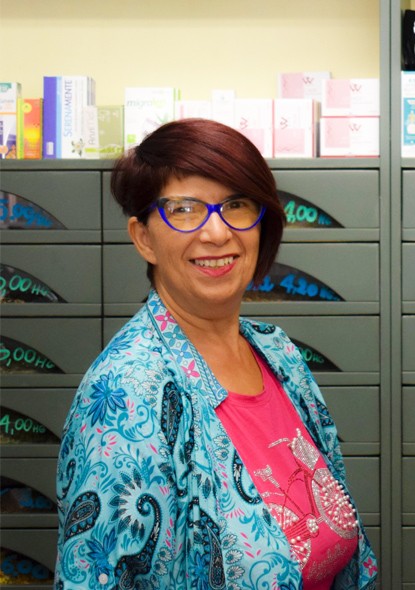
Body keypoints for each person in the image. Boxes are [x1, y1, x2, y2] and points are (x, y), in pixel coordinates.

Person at [55, 118, 377, 590]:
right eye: (185, 209)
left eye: (236, 205)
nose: (217, 232)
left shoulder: (278, 354)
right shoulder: (125, 394)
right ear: (143, 237)